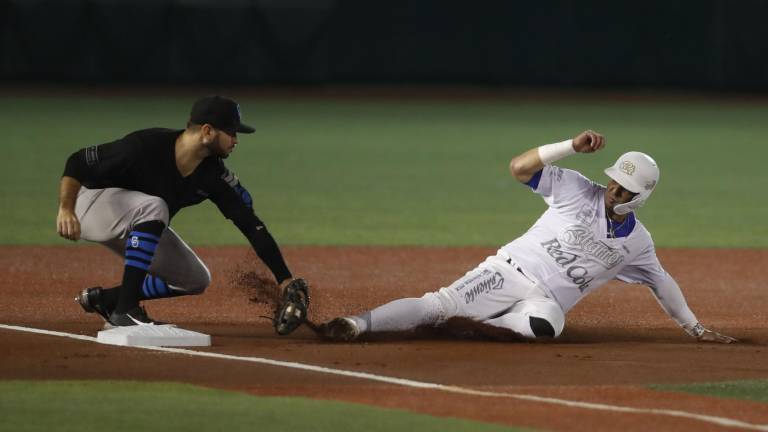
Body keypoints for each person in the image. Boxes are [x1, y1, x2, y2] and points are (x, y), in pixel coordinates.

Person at [322, 130, 736, 344]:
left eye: (625, 189)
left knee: (544, 329)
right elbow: (519, 168)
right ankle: (357, 324)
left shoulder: (637, 243)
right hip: (509, 272)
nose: (614, 189)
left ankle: (476, 325)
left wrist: (695, 329)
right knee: (437, 306)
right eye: (614, 180)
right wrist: (570, 146)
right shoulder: (575, 188)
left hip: (546, 302)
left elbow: (661, 283)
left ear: (642, 197)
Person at [57, 95, 308, 334]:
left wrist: (284, 279)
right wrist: (66, 209)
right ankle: (125, 312)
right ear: (207, 131)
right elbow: (78, 161)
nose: (235, 140)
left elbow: (251, 225)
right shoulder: (145, 145)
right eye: (231, 132)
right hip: (90, 204)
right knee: (156, 207)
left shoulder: (214, 176)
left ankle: (110, 300)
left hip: (138, 221)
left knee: (195, 279)